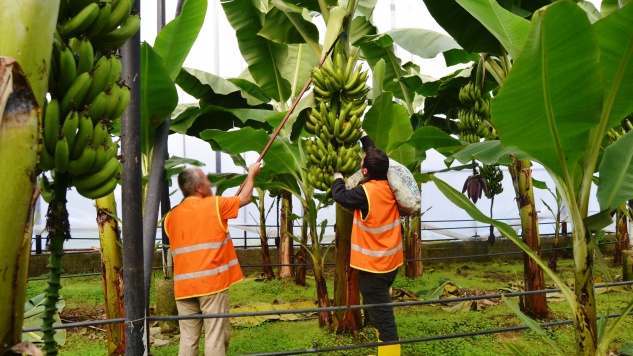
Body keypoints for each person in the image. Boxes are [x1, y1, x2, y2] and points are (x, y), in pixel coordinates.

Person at [164, 162, 261, 356]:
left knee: (188, 340)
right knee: (215, 337)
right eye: (206, 181)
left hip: (183, 289)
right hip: (211, 286)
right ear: (199, 187)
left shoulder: (171, 217)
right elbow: (245, 197)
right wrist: (251, 174)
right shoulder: (216, 204)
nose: (210, 184)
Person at [331, 130, 402, 356]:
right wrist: (363, 135)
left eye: (363, 160)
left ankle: (390, 354)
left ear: (364, 171)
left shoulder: (366, 193)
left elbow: (341, 197)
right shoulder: (390, 181)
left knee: (384, 319)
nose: (362, 158)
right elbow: (373, 154)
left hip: (374, 269)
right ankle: (383, 350)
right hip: (391, 262)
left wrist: (337, 178)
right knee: (377, 311)